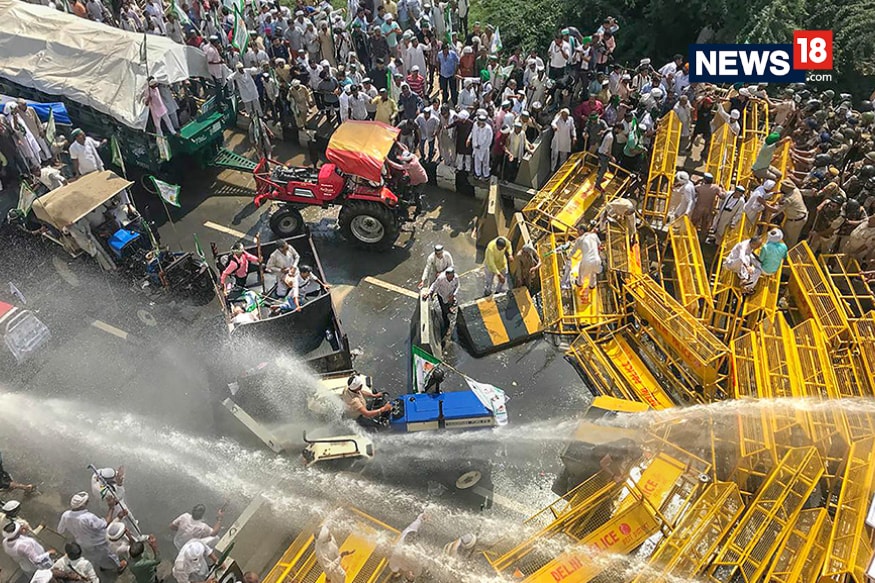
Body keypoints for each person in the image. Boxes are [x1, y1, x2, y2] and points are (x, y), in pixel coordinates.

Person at [57, 492, 124, 572]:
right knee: (110, 554)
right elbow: (105, 524)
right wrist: (111, 508)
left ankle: (104, 566)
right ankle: (119, 566)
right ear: (83, 505)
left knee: (96, 557)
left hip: (83, 543)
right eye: (86, 502)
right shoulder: (88, 517)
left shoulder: (65, 515)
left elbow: (60, 530)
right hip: (99, 542)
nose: (88, 502)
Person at [568, 224, 602, 303]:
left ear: (582, 231)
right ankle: (592, 285)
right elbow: (599, 245)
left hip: (586, 261)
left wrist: (568, 256)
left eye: (578, 231)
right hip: (597, 260)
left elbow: (573, 251)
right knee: (593, 272)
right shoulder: (594, 235)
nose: (577, 233)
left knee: (581, 272)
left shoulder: (580, 239)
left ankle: (579, 283)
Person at [425, 266, 459, 342]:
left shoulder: (456, 277)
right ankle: (447, 326)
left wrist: (453, 294)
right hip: (442, 296)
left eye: (452, 276)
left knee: (449, 305)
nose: (451, 278)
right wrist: (429, 293)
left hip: (450, 296)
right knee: (444, 312)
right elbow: (434, 285)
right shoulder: (441, 278)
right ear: (446, 275)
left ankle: (449, 309)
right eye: (450, 277)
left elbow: (458, 286)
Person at [388, 512, 425, 581]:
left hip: (408, 563)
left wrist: (423, 517)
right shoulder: (399, 551)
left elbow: (418, 520)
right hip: (407, 563)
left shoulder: (410, 532)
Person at [776, 180, 808, 247]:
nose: (781, 187)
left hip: (796, 221)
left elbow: (776, 211)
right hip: (799, 215)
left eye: (782, 187)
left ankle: (787, 253)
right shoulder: (795, 190)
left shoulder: (788, 199)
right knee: (785, 233)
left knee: (791, 239)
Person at [470, 113, 493, 180]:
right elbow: (474, 134)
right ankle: (478, 174)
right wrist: (475, 144)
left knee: (485, 162)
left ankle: (486, 174)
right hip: (477, 148)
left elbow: (489, 140)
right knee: (477, 162)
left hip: (484, 148)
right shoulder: (475, 125)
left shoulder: (488, 129)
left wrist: (482, 147)